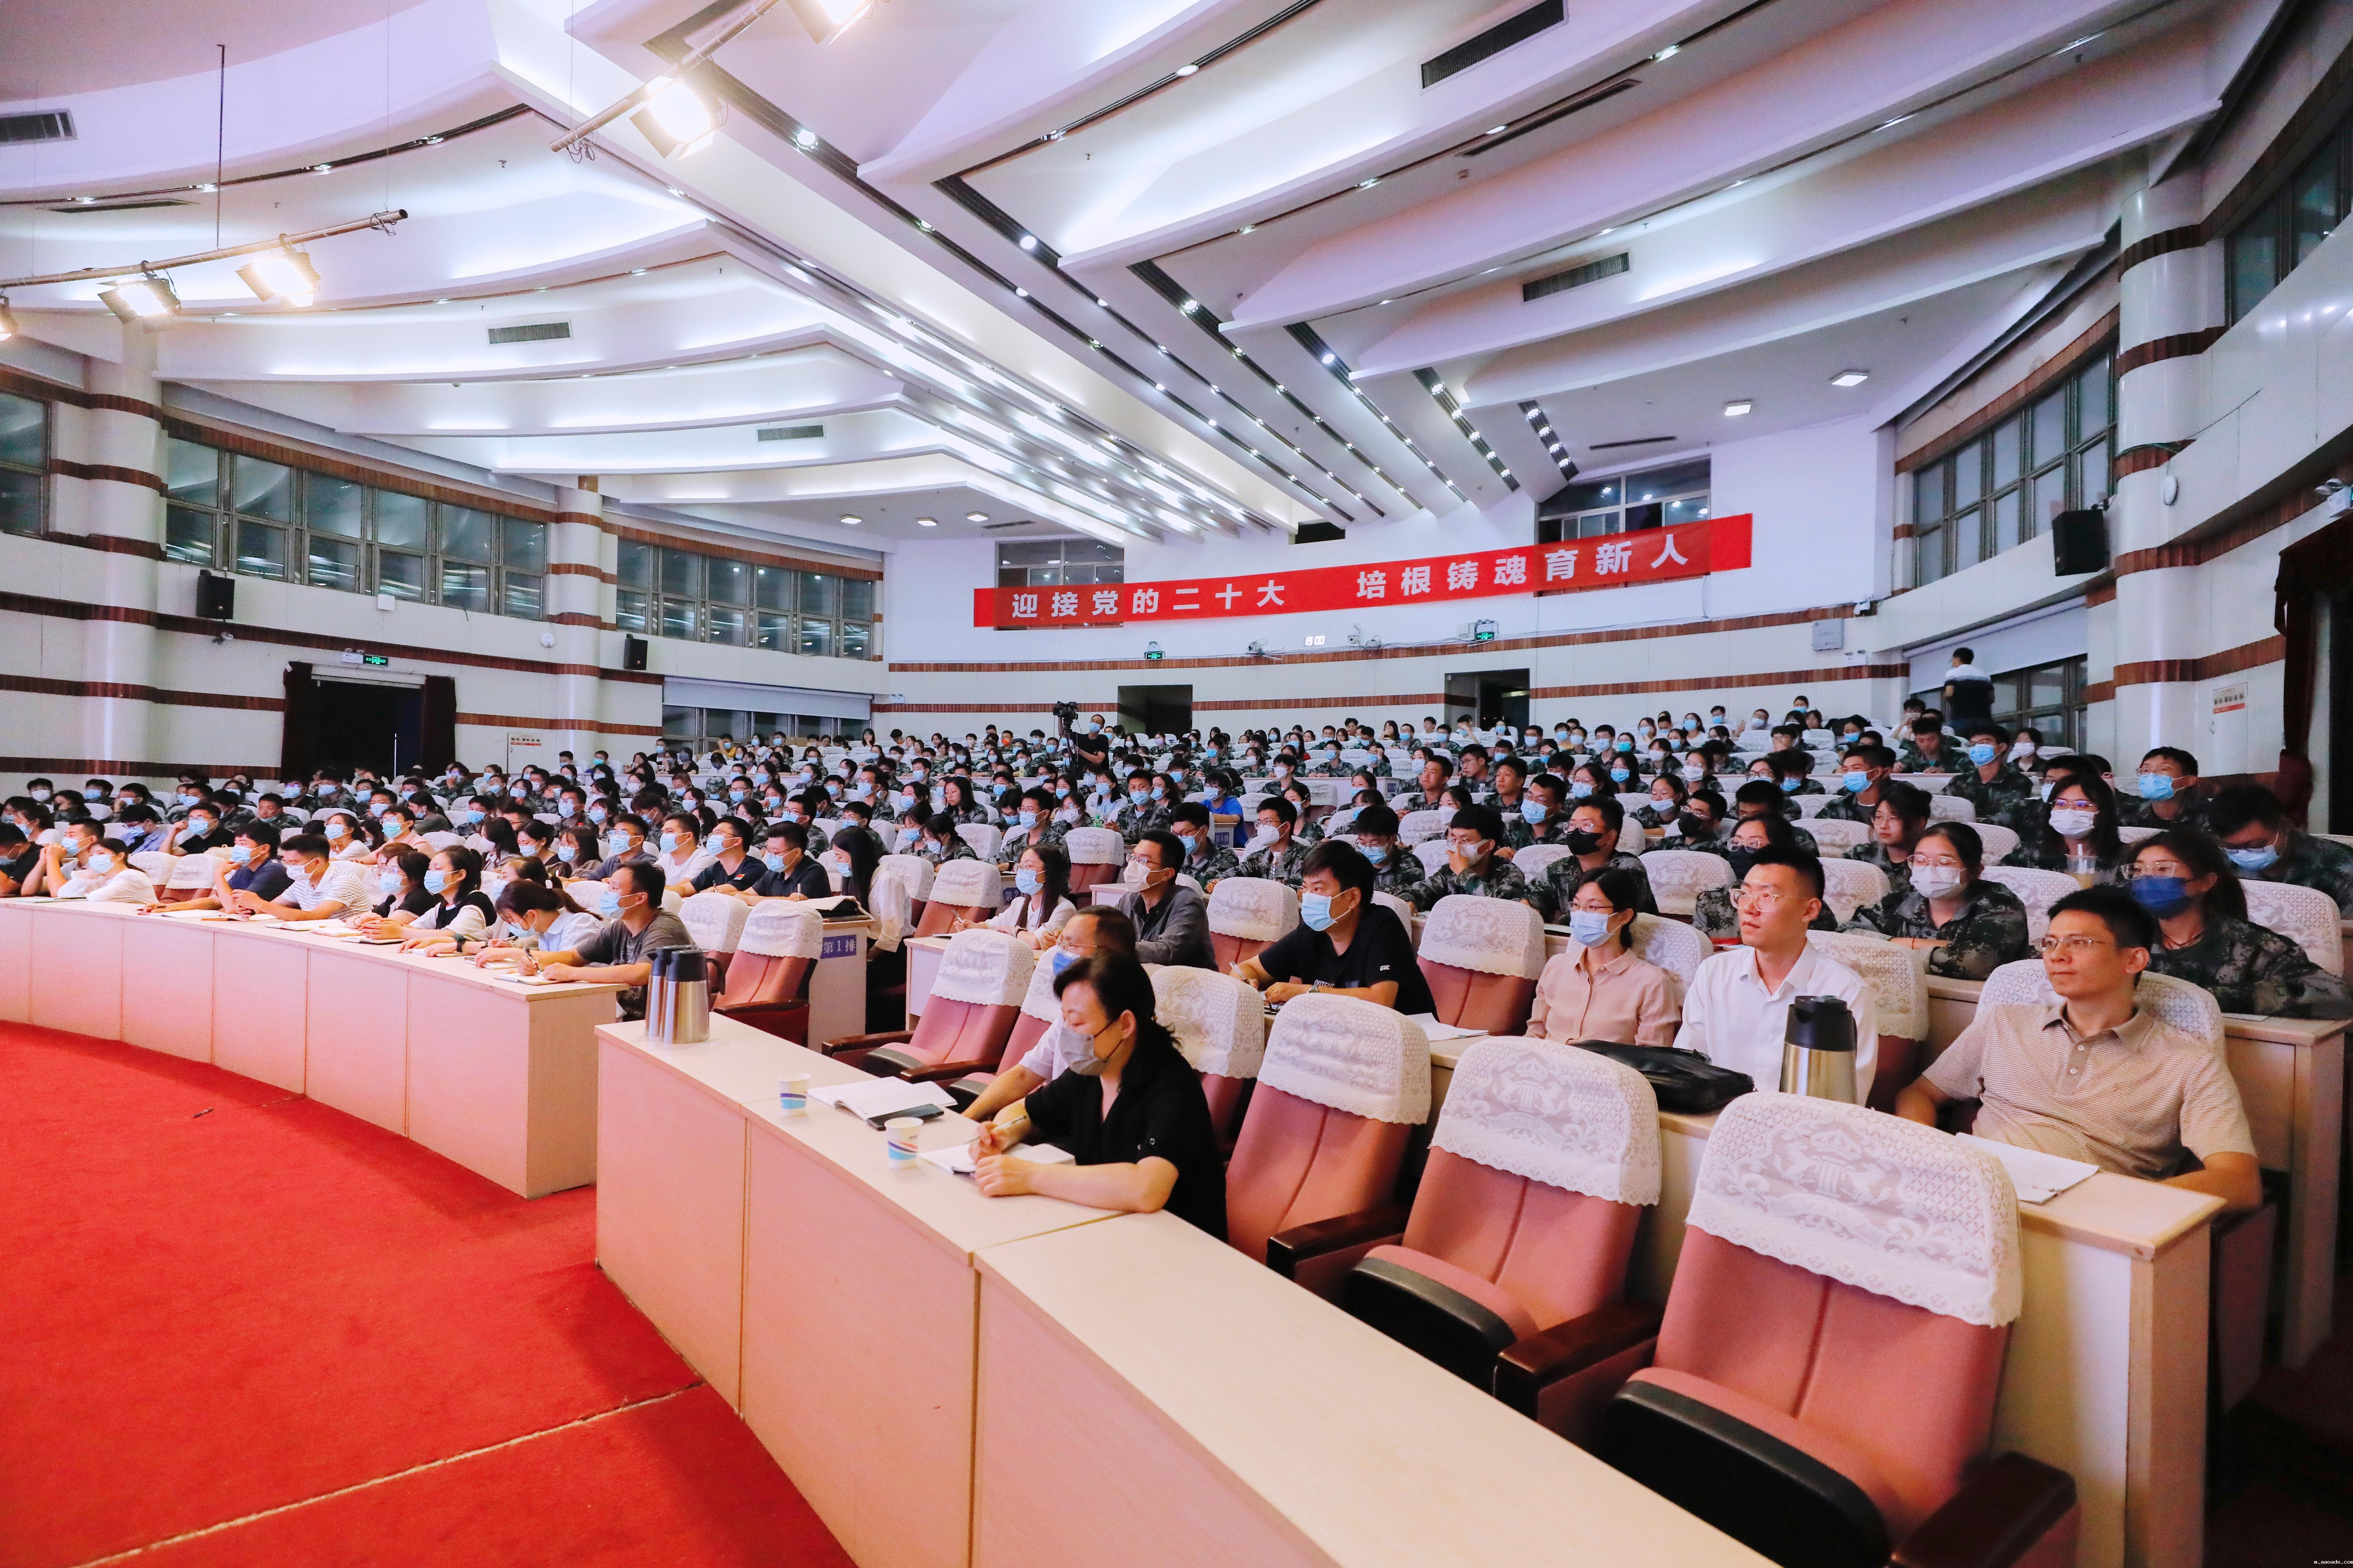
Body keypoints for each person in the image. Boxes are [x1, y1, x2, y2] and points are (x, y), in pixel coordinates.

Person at [1897, 887, 2261, 1212]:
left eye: (2080, 943)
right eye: (2050, 943)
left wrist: (2120, 1207)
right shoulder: (2004, 1022)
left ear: (2134, 960)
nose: (2057, 956)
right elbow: (1920, 1093)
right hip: (1970, 1195)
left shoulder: (2190, 1062)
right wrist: (1926, 1157)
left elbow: (2239, 1182)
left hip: (2088, 1219)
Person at [971, 951, 1227, 1238]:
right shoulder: (1092, 1070)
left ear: (1125, 1025)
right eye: (1064, 1021)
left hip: (1178, 1244)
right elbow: (1028, 1111)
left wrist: (1031, 1176)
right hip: (1110, 1228)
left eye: (1078, 1023)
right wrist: (1003, 1134)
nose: (1067, 1034)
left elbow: (1147, 1188)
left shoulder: (1173, 1088)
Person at [1678, 845, 1880, 1100]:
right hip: (1717, 1119)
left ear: (1810, 910)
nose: (1749, 908)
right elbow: (1687, 1070)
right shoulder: (1714, 973)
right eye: (1744, 894)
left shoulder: (1846, 993)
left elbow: (1844, 1102)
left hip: (1803, 1124)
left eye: (1767, 896)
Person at [2123, 831, 2352, 1018]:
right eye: (2138, 870)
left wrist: (2219, 999)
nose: (2147, 880)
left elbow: (2336, 997)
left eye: (2163, 870)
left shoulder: (2255, 948)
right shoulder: (2124, 941)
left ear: (2206, 882)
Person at [960, 908, 1137, 1122]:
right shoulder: (1070, 1017)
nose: (1061, 952)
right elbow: (1025, 1075)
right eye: (1061, 943)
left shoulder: (1126, 1046)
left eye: (1071, 944)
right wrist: (965, 1121)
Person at [1235, 840, 1433, 1014]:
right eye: (1305, 888)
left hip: (1404, 1037)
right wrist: (1247, 984)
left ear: (1353, 897)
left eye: (1318, 889)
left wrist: (1307, 992)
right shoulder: (1311, 932)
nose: (1308, 897)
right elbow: (1248, 968)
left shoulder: (1383, 925)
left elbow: (1381, 1000)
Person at [1845, 822, 2031, 979]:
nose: (1929, 869)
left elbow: (1976, 962)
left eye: (1944, 863)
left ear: (1975, 871)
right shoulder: (1903, 901)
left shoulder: (2000, 904)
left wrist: (1889, 947)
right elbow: (1847, 937)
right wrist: (1913, 945)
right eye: (1920, 860)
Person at [512, 862, 696, 1020]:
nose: (608, 894)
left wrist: (573, 973)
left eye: (615, 889)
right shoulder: (621, 926)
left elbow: (641, 973)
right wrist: (536, 962)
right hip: (623, 1015)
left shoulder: (665, 926)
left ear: (640, 898)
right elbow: (574, 956)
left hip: (663, 1021)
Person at [1528, 867, 1680, 1047]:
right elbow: (1535, 1035)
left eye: (1593, 907)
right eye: (1576, 905)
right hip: (1546, 1061)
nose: (1581, 914)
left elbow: (1653, 1057)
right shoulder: (1556, 966)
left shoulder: (1651, 982)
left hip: (1605, 1065)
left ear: (1624, 917)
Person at [2205, 784, 2353, 916]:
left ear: (2286, 826)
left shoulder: (2341, 867)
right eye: (2232, 848)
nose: (2243, 854)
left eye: (2256, 845)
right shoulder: (2217, 865)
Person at [1692, 814, 1839, 942]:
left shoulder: (1801, 905)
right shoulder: (1710, 901)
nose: (1741, 850)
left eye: (1753, 844)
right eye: (1736, 843)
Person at [1536, 796, 1653, 921]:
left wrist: (1560, 918)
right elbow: (1528, 901)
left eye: (1587, 825)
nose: (1576, 831)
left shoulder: (1627, 869)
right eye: (1572, 824)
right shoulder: (1561, 868)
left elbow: (1619, 919)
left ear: (1610, 837)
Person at [1115, 829, 1215, 970]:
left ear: (1167, 874)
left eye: (1143, 861)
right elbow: (1106, 928)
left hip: (1184, 981)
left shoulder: (1188, 904)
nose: (1133, 865)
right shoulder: (1130, 899)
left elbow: (1167, 952)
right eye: (1132, 857)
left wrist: (1113, 948)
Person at [1406, 803, 1534, 911]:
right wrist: (1411, 901)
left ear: (1489, 845)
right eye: (1454, 839)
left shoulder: (1510, 873)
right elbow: (1420, 891)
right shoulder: (1449, 871)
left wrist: (1464, 875)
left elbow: (1503, 906)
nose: (1457, 847)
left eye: (1465, 840)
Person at [2006, 774, 2126, 884]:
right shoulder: (2029, 854)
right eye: (2061, 804)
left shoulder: (2126, 858)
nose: (2069, 811)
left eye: (2082, 805)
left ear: (2103, 812)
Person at [249, 832, 374, 921]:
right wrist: (250, 907)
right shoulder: (303, 880)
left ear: (317, 862)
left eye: (294, 863)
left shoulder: (345, 881)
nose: (289, 867)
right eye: (286, 862)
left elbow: (316, 917)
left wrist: (260, 904)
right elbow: (274, 907)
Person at [394, 846, 501, 951]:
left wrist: (400, 932)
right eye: (430, 869)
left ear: (460, 875)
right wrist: (391, 927)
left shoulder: (476, 901)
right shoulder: (443, 906)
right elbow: (414, 927)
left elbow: (452, 935)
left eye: (438, 869)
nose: (431, 874)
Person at [1946, 722, 2041, 834]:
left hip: (1999, 838)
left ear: (2002, 747)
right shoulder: (1959, 781)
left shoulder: (2019, 782)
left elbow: (2009, 817)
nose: (1977, 748)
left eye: (1984, 743)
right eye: (1973, 744)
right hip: (1957, 837)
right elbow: (1941, 810)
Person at [975, 844, 1076, 947]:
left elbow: (1036, 942)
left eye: (1028, 866)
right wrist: (972, 926)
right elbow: (990, 926)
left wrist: (1015, 932)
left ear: (1049, 871)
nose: (1022, 872)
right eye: (1021, 866)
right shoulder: (1019, 904)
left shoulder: (1065, 909)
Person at [1848, 781, 1934, 899]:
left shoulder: (1929, 863)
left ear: (1919, 823)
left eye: (1894, 818)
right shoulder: (1861, 855)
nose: (1884, 826)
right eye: (1879, 817)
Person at [52, 835, 157, 905]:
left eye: (101, 854)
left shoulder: (132, 877)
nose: (95, 858)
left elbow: (97, 898)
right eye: (92, 855)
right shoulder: (103, 879)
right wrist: (89, 874)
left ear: (120, 856)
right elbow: (63, 894)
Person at [1813, 743, 1897, 825]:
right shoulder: (1836, 807)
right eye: (1846, 770)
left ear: (1877, 772)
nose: (1850, 774)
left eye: (1856, 769)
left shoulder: (1900, 804)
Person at [1237, 797, 1312, 886]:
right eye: (1260, 823)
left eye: (1268, 822)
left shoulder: (1307, 858)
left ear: (1286, 827)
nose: (1262, 827)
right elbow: (1232, 875)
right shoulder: (1256, 859)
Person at [359, 850, 436, 934]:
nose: (386, 874)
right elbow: (352, 922)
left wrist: (365, 922)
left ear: (414, 878)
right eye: (386, 869)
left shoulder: (421, 898)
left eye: (394, 871)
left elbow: (383, 928)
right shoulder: (393, 899)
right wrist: (359, 921)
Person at [1941, 646, 1994, 729]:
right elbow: (1991, 698)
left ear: (1958, 660)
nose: (1952, 663)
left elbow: (1950, 693)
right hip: (1984, 717)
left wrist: (1945, 696)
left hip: (1962, 717)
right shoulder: (1985, 675)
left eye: (1952, 660)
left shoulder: (1953, 673)